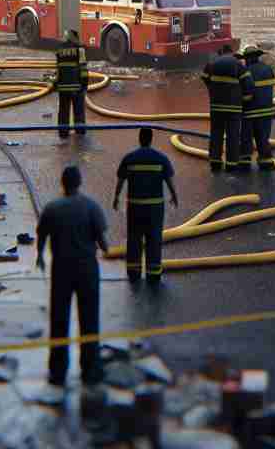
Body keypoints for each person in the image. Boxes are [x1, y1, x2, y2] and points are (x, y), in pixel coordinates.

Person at [36, 166, 108, 387]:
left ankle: (57, 372)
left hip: (62, 270)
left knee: (59, 320)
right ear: (79, 182)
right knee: (89, 320)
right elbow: (102, 241)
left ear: (62, 183)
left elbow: (41, 236)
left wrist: (40, 256)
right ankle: (91, 370)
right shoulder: (91, 207)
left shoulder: (52, 208)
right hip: (87, 270)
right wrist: (105, 248)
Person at [114, 129, 178, 284]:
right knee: (154, 238)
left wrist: (116, 197)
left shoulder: (129, 158)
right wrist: (174, 196)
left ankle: (134, 272)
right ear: (151, 140)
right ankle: (153, 272)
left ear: (139, 139)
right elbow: (169, 179)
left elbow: (121, 180)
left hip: (135, 206)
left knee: (134, 238)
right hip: (155, 207)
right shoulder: (161, 158)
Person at [201, 47, 246, 172]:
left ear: (220, 53)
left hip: (216, 106)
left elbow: (204, 77)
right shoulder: (238, 64)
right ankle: (231, 164)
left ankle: (215, 162)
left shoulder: (212, 64)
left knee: (216, 133)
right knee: (233, 135)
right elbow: (247, 83)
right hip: (234, 107)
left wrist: (212, 88)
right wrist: (244, 98)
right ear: (232, 52)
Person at [242, 45, 275, 170]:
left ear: (246, 58)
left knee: (246, 139)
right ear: (258, 56)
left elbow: (243, 93)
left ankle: (244, 163)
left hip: (249, 113)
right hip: (266, 112)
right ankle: (266, 162)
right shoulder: (268, 69)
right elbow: (271, 90)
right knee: (263, 139)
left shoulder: (244, 71)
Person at [54, 29, 89, 139]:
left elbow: (58, 69)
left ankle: (63, 134)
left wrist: (56, 84)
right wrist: (85, 84)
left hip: (63, 87)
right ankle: (79, 134)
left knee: (63, 112)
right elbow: (83, 69)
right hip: (77, 87)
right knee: (79, 111)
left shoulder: (59, 49)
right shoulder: (80, 49)